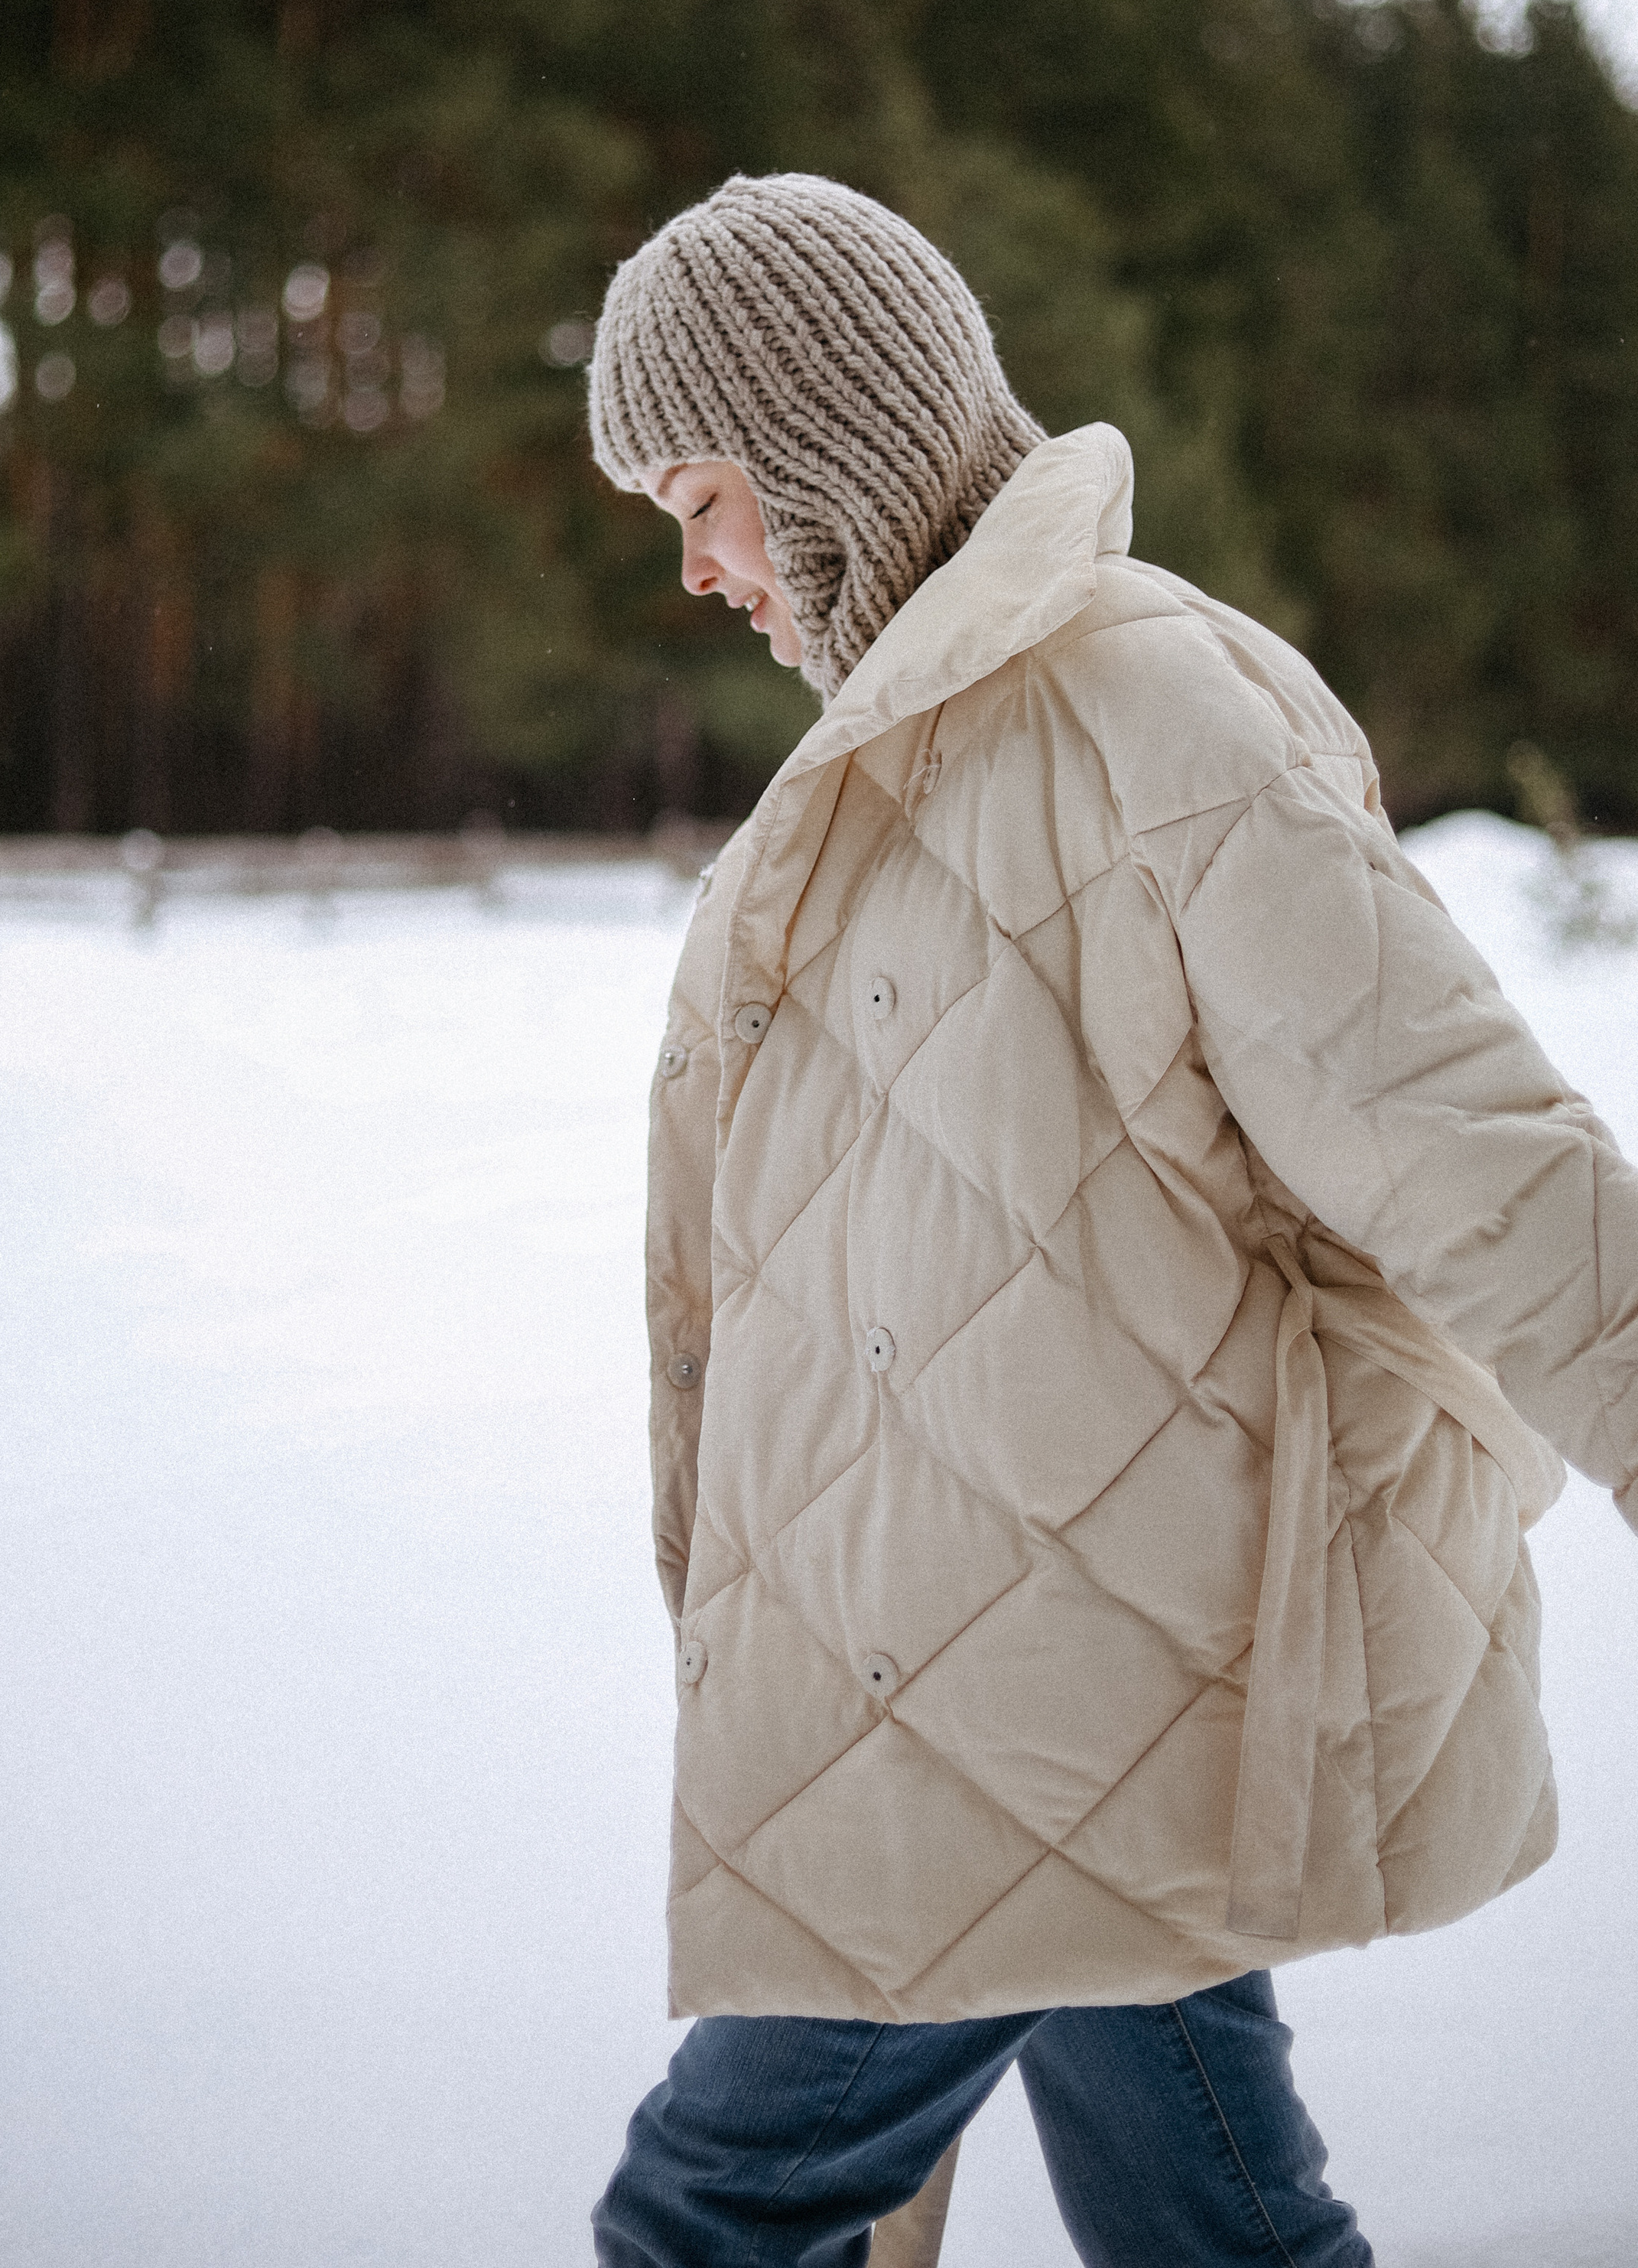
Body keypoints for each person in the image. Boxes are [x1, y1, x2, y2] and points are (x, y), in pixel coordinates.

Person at [580, 172, 1638, 2268]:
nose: (695, 570)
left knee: (709, 2216)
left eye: (703, 501)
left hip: (1029, 1702)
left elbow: (1450, 1131)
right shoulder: (896, 762)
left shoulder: (1149, 706)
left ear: (827, 454)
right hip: (1016, 1675)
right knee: (1212, 2226)